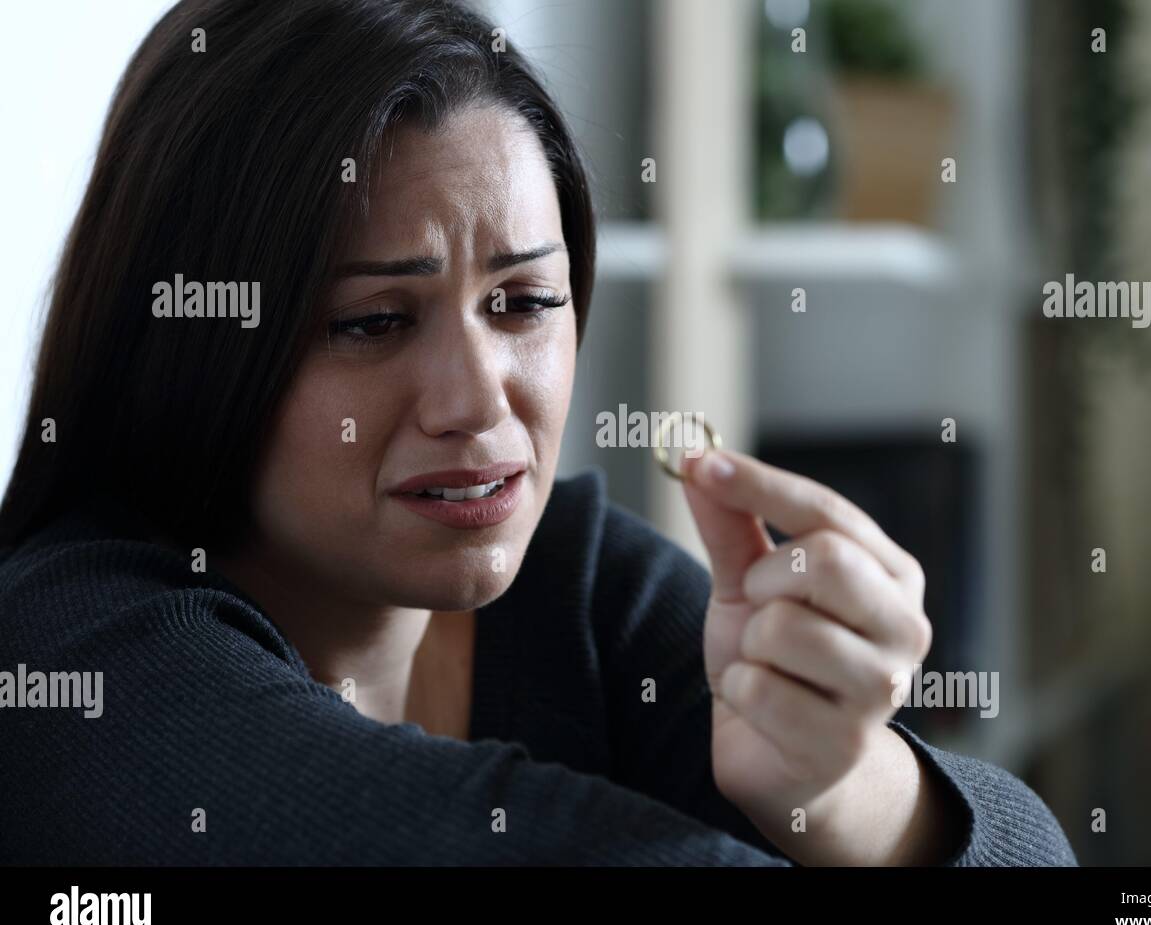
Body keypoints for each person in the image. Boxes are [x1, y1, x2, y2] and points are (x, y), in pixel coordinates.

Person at [0, 0, 1075, 866]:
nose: (478, 400)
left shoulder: (581, 583)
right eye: (373, 321)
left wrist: (846, 790)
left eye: (523, 304)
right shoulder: (71, 646)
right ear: (192, 343)